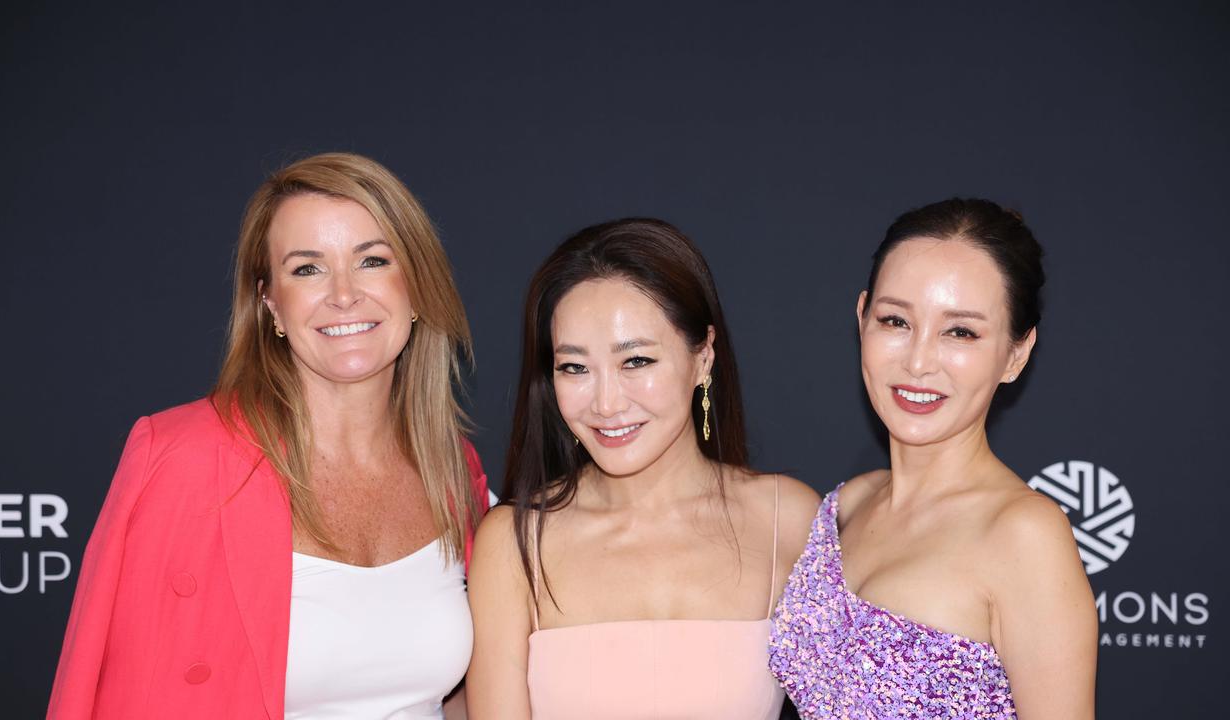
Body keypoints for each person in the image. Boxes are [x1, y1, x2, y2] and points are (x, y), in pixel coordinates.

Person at [47, 152, 489, 719]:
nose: (344, 294)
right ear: (269, 304)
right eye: (307, 268)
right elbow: (100, 691)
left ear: (418, 288)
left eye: (373, 260)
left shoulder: (452, 467)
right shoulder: (182, 459)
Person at [466, 218, 819, 719]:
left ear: (703, 357)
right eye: (575, 368)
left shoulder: (790, 518)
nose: (606, 404)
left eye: (636, 362)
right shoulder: (515, 541)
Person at [770, 198, 1097, 718]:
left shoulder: (1023, 534)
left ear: (1016, 353)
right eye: (896, 321)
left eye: (960, 331)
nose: (919, 361)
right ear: (861, 320)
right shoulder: (846, 505)